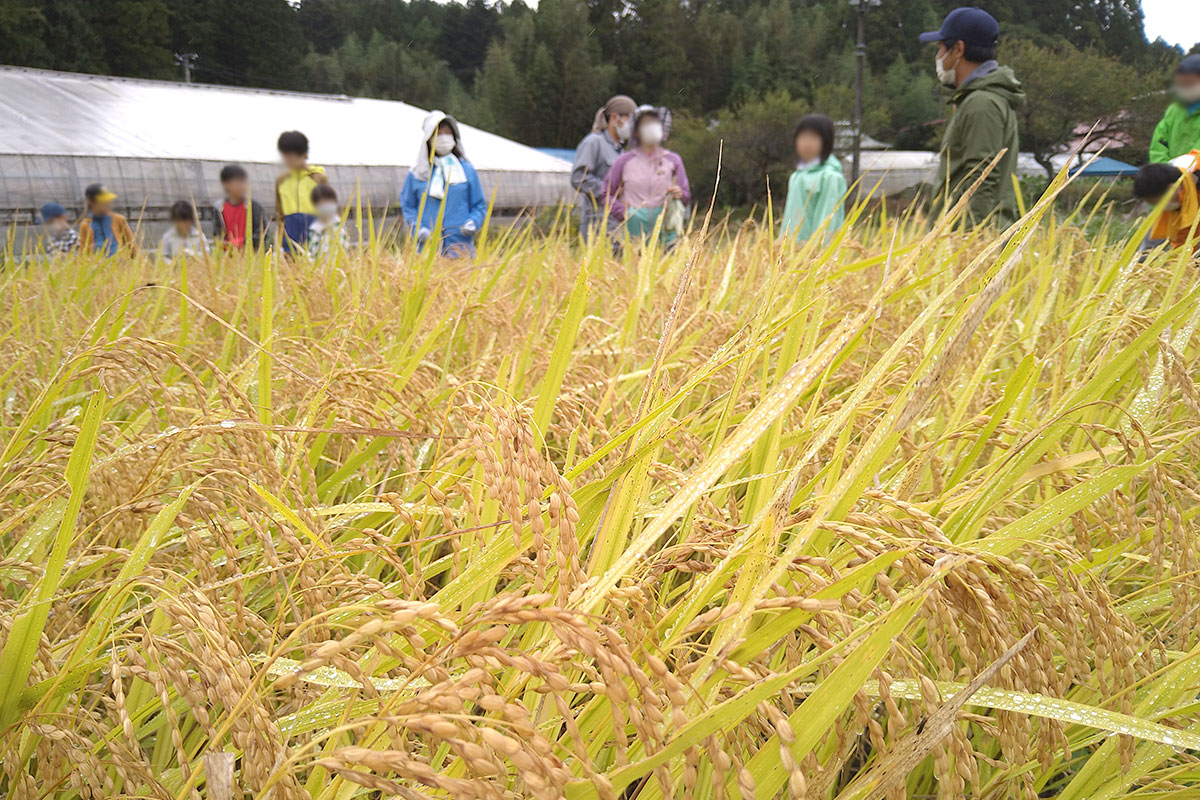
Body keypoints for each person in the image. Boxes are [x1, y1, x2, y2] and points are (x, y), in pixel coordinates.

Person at [919, 7, 1025, 228]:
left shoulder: (982, 104)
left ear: (958, 49)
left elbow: (981, 179)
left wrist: (968, 243)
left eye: (940, 49)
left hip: (970, 238)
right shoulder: (978, 99)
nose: (937, 57)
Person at [400, 111, 487, 258]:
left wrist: (473, 222)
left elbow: (479, 205)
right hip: (427, 248)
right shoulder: (418, 173)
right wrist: (418, 229)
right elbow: (408, 205)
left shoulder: (466, 171)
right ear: (429, 139)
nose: (444, 137)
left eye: (447, 132)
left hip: (460, 247)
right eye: (438, 133)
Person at [601, 106, 691, 246]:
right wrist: (624, 213)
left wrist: (680, 193)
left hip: (666, 233)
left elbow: (686, 195)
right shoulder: (623, 161)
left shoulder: (673, 160)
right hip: (631, 236)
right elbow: (607, 194)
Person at [571, 94, 637, 242]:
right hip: (596, 224)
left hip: (617, 224)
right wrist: (608, 191)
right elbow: (578, 178)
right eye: (630, 120)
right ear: (615, 117)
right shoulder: (593, 142)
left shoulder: (620, 150)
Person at [781, 114, 847, 242]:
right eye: (802, 137)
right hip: (791, 253)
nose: (806, 143)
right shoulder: (796, 176)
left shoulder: (830, 178)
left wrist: (817, 254)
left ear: (826, 142)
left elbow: (827, 220)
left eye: (813, 138)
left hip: (814, 254)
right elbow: (788, 219)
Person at [1132, 152, 1200, 252]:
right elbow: (1182, 236)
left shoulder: (1194, 171)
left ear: (1172, 187)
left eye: (1159, 203)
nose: (1160, 207)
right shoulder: (1173, 179)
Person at [274, 131, 328, 252]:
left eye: (292, 157)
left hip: (314, 229)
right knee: (291, 265)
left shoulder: (318, 178)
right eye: (285, 157)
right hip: (290, 230)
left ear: (304, 155)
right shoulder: (281, 181)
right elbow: (279, 213)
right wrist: (279, 238)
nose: (288, 161)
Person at [1149, 55, 1200, 164]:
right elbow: (1159, 143)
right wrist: (1165, 171)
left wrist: (1191, 166)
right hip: (1173, 176)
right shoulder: (1174, 110)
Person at [213, 164, 267, 250]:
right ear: (225, 184)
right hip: (228, 257)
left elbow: (261, 233)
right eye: (237, 182)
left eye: (244, 182)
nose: (242, 186)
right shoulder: (219, 208)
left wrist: (243, 242)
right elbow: (217, 235)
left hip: (250, 256)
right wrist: (225, 245)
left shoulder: (254, 207)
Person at [78, 183, 137, 255]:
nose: (107, 204)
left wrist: (140, 264)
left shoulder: (118, 219)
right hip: (98, 264)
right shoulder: (85, 225)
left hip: (119, 264)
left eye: (107, 200)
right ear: (91, 202)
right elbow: (82, 252)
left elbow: (132, 245)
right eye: (102, 201)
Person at [307, 184, 349, 257]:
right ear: (314, 206)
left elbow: (345, 247)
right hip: (320, 266)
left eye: (329, 202)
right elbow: (312, 252)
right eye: (322, 203)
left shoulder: (339, 225)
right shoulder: (315, 229)